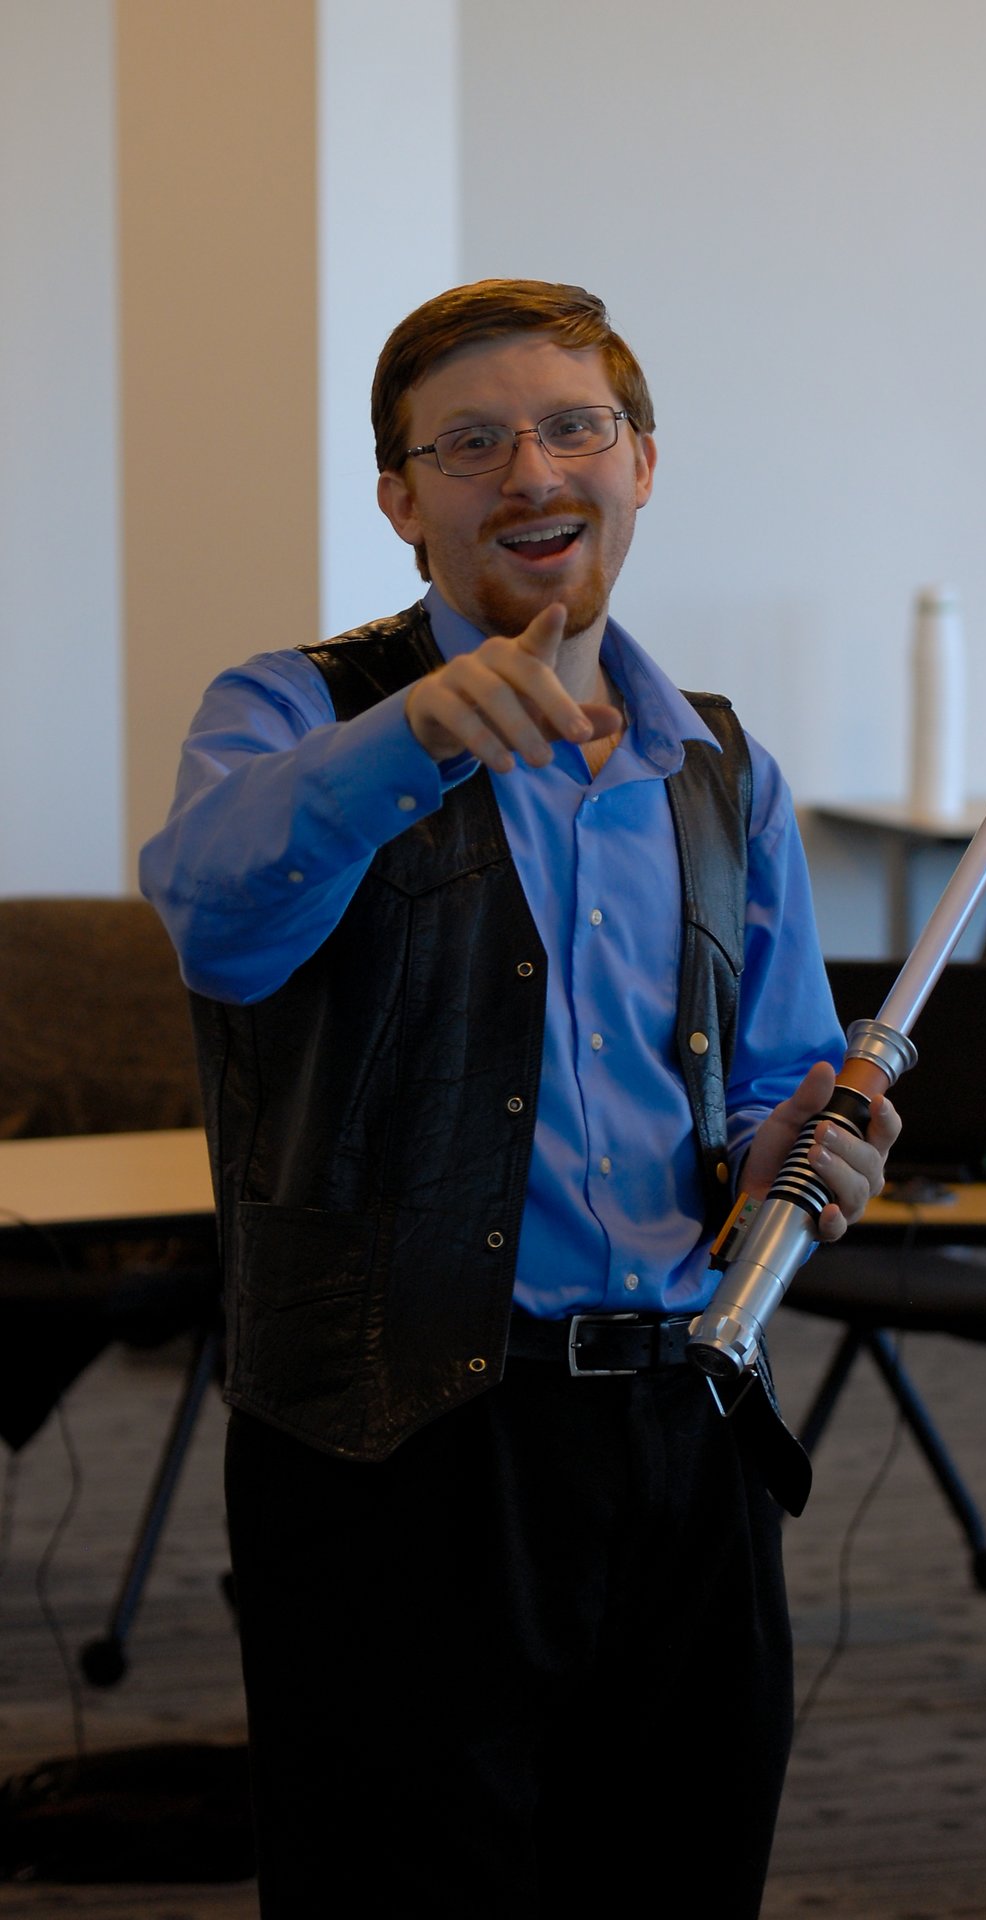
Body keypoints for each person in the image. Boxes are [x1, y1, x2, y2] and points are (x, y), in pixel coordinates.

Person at [140, 278, 900, 1920]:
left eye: (574, 427)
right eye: (469, 444)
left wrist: (799, 1150)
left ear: (642, 463)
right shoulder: (286, 713)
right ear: (402, 502)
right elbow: (217, 923)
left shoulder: (723, 766)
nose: (531, 471)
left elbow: (773, 1064)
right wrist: (410, 737)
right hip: (397, 1446)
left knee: (678, 1873)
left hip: (682, 1423)